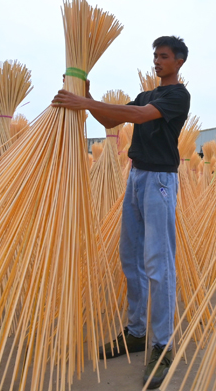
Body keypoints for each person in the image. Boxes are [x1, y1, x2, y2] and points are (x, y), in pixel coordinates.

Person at [51, 35, 190, 389]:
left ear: (178, 62)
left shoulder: (177, 95)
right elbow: (110, 123)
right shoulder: (146, 95)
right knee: (130, 256)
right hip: (137, 177)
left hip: (160, 181)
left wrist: (83, 100)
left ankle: (162, 345)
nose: (157, 62)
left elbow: (139, 116)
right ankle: (136, 332)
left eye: (163, 56)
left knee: (159, 262)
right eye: (155, 56)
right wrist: (88, 99)